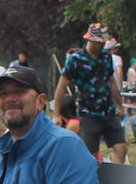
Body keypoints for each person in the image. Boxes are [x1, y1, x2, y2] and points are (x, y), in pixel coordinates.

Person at [54, 23, 128, 164]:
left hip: (108, 112)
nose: (101, 45)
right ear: (90, 40)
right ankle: (93, 182)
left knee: (121, 148)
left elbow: (111, 82)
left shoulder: (106, 57)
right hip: (89, 114)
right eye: (98, 42)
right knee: (91, 156)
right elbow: (61, 87)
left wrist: (120, 106)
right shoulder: (76, 59)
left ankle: (115, 180)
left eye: (103, 42)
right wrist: (57, 114)